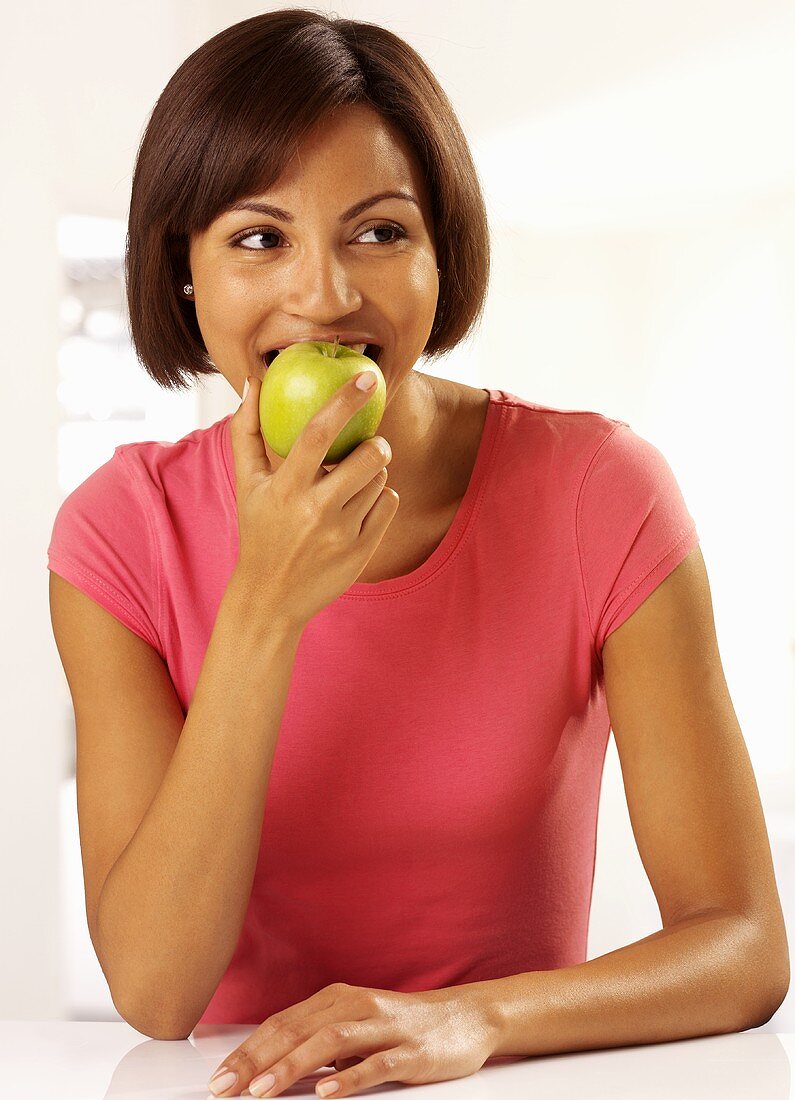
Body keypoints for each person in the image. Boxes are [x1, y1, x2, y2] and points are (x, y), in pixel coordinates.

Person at [47, 8, 788, 1098]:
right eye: (260, 238)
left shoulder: (601, 491)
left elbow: (743, 943)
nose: (326, 295)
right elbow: (157, 990)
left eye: (379, 231)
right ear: (187, 271)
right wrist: (266, 602)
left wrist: (472, 1018)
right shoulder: (117, 530)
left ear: (443, 252)